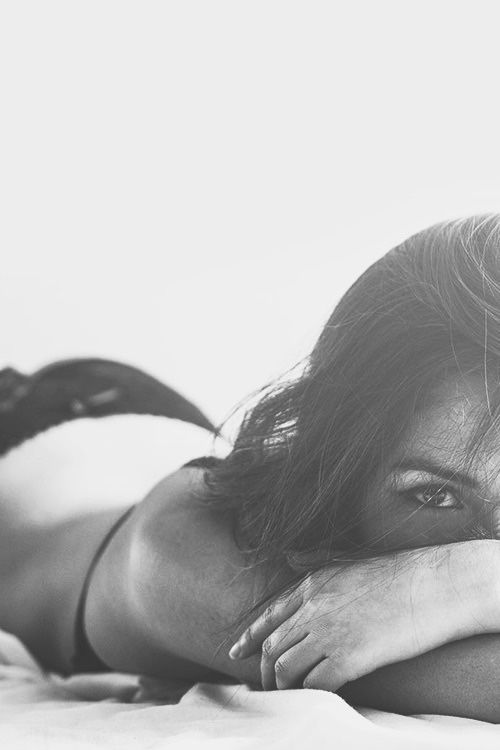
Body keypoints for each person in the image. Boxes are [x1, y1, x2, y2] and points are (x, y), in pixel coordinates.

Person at [4, 214, 500, 722]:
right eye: (435, 495)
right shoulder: (186, 554)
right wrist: (465, 580)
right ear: (340, 467)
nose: (490, 541)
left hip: (141, 437)